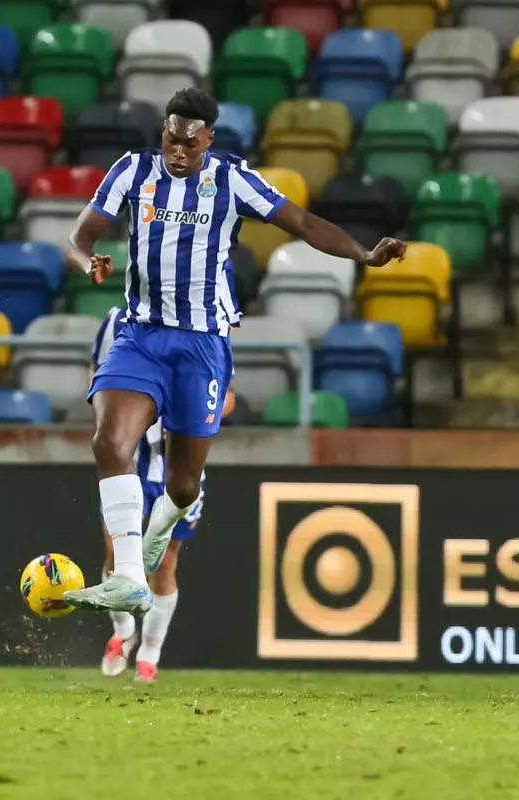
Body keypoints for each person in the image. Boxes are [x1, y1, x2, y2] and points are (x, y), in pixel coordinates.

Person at [63, 88, 407, 613]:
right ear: (163, 133)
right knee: (110, 442)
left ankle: (162, 524)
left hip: (203, 344)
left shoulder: (232, 179)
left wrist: (363, 253)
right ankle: (129, 576)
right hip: (141, 335)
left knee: (182, 485)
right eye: (171, 140)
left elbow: (304, 223)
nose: (178, 152)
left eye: (190, 144)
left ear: (209, 140)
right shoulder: (132, 170)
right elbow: (80, 235)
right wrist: (87, 261)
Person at [92, 306, 231, 683]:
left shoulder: (205, 319)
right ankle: (123, 631)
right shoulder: (117, 320)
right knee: (115, 549)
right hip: (133, 461)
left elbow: (226, 392)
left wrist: (194, 414)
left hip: (177, 465)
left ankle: (149, 655)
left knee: (165, 561)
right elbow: (99, 375)